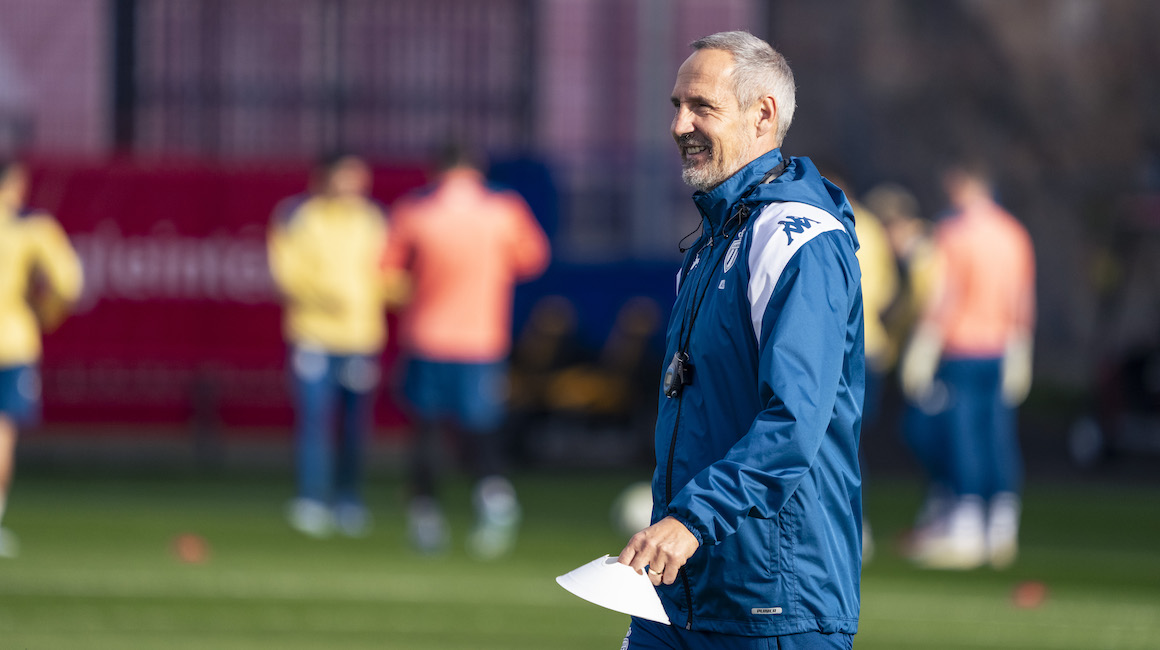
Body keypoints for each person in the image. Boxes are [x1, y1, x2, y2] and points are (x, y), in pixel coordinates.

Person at [616, 31, 863, 649]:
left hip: (774, 602)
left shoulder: (798, 240)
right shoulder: (714, 241)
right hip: (679, 592)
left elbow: (795, 421)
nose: (679, 125)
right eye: (676, 106)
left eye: (701, 106)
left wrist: (692, 519)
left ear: (763, 115)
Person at [382, 142, 550, 559]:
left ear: (435, 169)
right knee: (482, 429)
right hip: (481, 338)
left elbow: (387, 273)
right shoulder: (503, 209)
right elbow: (532, 259)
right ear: (478, 168)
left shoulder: (415, 211)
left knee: (425, 431)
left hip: (427, 336)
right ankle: (496, 505)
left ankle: (425, 519)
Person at [900, 162, 1036, 570]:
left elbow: (943, 294)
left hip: (961, 349)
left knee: (963, 437)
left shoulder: (953, 232)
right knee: (996, 435)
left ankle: (968, 525)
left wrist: (924, 346)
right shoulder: (1013, 233)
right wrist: (1022, 345)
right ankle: (1001, 523)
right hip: (1001, 348)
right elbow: (1022, 297)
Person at [268, 153, 406, 538]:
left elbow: (387, 273)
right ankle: (312, 498)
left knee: (355, 423)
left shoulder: (373, 218)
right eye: (345, 177)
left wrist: (405, 289)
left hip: (361, 337)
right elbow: (287, 272)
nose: (352, 186)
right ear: (325, 178)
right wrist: (326, 297)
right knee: (314, 419)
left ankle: (349, 499)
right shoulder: (298, 216)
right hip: (313, 333)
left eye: (358, 178)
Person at [0, 159, 84, 557]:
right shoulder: (31, 226)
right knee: (3, 433)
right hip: (12, 340)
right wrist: (45, 311)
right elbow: (68, 284)